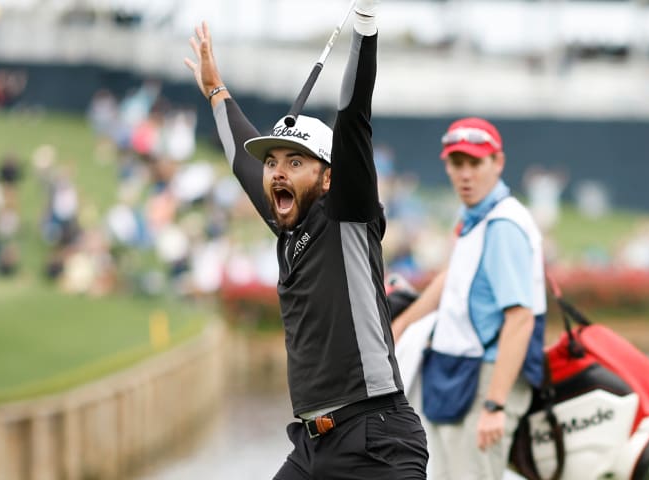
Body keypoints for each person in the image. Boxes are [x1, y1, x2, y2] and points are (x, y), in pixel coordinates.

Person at [184, 3, 429, 478]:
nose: (278, 170)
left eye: (296, 163)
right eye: (274, 161)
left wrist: (364, 24)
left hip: (375, 441)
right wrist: (217, 91)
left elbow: (353, 114)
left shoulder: (348, 215)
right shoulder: (289, 228)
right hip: (311, 449)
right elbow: (242, 159)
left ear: (330, 178)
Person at [391, 118, 547, 480]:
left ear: (498, 163)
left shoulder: (503, 226)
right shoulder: (473, 217)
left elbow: (520, 319)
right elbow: (453, 278)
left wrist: (495, 404)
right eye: (457, 164)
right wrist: (402, 324)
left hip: (487, 376)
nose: (465, 174)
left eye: (475, 163)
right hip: (458, 371)